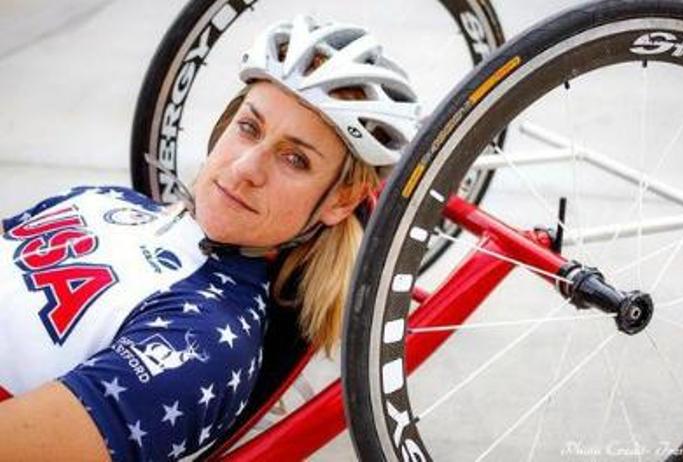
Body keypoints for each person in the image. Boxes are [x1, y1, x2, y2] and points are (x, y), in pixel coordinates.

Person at [0, 15, 419, 460]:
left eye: (295, 159)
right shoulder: (107, 199)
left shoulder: (206, 337)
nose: (245, 168)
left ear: (341, 199)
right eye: (249, 127)